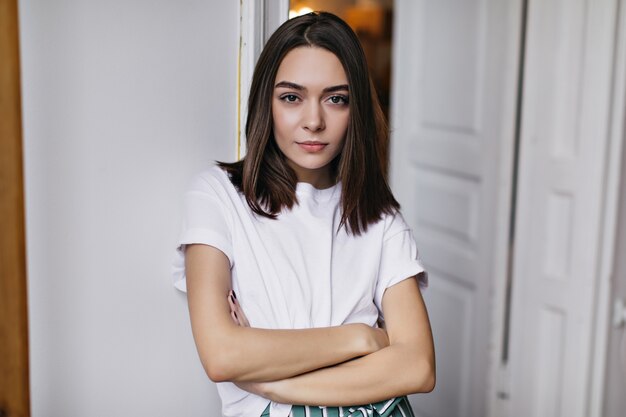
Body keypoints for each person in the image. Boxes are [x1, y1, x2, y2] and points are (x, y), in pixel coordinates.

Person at [172, 11, 435, 417]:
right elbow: (222, 355)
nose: (314, 121)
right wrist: (361, 339)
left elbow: (417, 367)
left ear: (356, 110)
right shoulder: (217, 196)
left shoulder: (380, 219)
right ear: (266, 103)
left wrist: (268, 382)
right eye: (292, 97)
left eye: (336, 99)